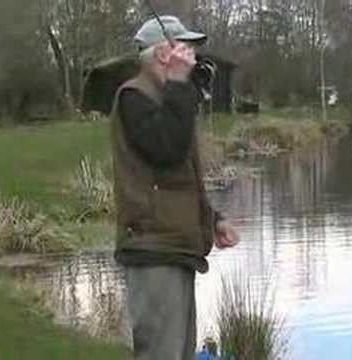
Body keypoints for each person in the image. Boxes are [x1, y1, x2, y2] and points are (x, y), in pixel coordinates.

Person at [110, 16, 240, 360]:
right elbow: (166, 150)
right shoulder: (135, 97)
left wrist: (214, 220)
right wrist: (181, 86)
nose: (193, 56)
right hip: (152, 247)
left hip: (174, 246)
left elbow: (178, 178)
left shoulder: (168, 98)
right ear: (163, 54)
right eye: (184, 47)